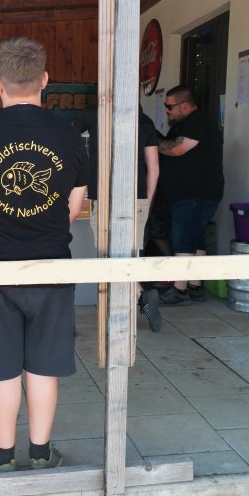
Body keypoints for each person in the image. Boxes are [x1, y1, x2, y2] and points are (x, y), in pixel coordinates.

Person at [0, 36, 88, 475]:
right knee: (44, 366)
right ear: (44, 79)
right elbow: (75, 205)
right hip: (52, 265)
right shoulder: (68, 135)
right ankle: (43, 454)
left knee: (3, 368)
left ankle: (2, 457)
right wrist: (42, 229)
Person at [72, 103, 162, 331]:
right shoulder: (145, 121)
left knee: (107, 256)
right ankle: (138, 296)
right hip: (137, 197)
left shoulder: (94, 113)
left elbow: (67, 139)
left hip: (103, 196)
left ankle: (124, 311)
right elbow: (154, 167)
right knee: (129, 256)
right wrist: (146, 200)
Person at [156, 85, 224, 305]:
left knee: (183, 238)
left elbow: (176, 149)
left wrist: (149, 139)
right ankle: (195, 286)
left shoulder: (199, 122)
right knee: (195, 238)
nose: (166, 111)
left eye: (169, 106)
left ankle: (179, 290)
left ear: (184, 105)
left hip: (195, 193)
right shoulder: (184, 125)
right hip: (191, 193)